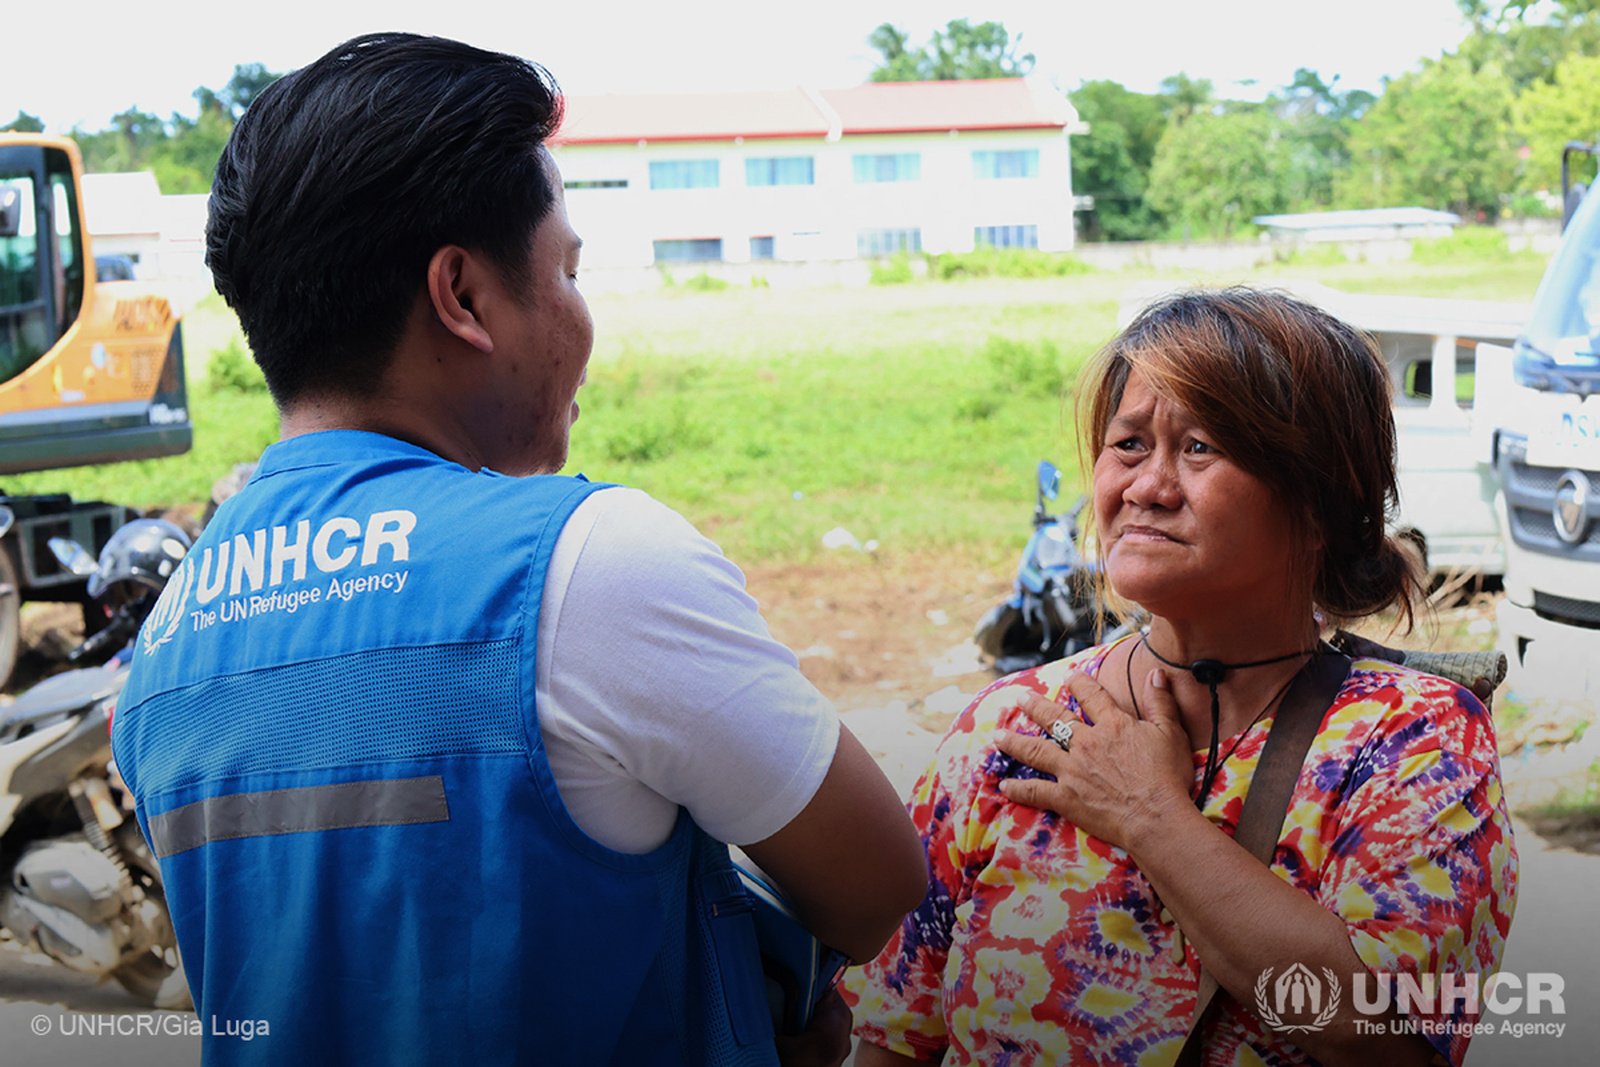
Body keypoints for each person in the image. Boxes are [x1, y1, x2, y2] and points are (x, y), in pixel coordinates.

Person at [109, 32, 927, 1066]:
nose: (581, 313)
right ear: (461, 295)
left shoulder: (167, 641)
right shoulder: (589, 566)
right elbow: (876, 887)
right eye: (568, 269)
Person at [847, 288, 1517, 1065]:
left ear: (1318, 498)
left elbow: (1385, 1039)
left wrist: (1151, 817)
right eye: (1128, 444)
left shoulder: (1414, 739)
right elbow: (896, 1037)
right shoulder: (1019, 724)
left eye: (1199, 448)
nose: (1147, 487)